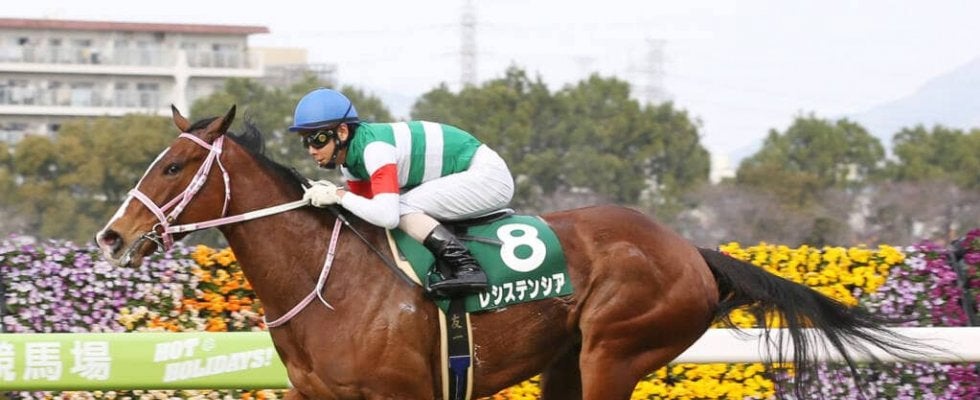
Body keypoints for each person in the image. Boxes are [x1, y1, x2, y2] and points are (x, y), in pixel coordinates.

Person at [290, 88, 515, 296]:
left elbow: (387, 216)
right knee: (395, 206)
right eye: (305, 142)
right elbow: (367, 212)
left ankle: (467, 267)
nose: (311, 150)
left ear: (342, 132)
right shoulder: (350, 164)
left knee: (401, 207)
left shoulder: (375, 150)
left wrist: (339, 195)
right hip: (466, 175)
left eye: (317, 139)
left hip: (488, 177)